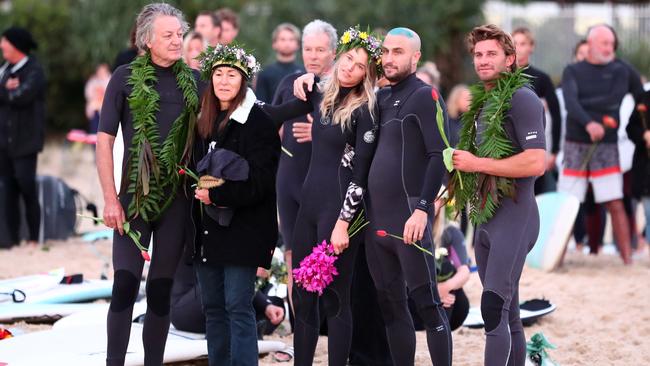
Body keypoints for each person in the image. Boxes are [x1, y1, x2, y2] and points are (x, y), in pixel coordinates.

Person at [263, 25, 382, 366]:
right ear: (339, 57)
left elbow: (360, 176)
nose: (349, 68)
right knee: (303, 297)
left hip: (338, 214)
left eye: (359, 65)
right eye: (348, 59)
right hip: (308, 208)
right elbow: (276, 111)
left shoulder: (366, 111)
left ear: (366, 72)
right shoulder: (322, 93)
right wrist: (301, 80)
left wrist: (344, 223)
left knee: (335, 298)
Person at [96, 4, 202, 365]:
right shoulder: (124, 78)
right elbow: (104, 140)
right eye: (168, 35)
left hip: (177, 202)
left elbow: (242, 113)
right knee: (125, 285)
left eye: (180, 35)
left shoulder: (196, 82)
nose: (177, 41)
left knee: (160, 290)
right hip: (131, 200)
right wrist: (111, 199)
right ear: (147, 40)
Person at [451, 24, 546, 366]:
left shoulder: (522, 98)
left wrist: (479, 163)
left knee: (493, 309)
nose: (483, 60)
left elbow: (537, 161)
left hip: (515, 217)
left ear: (510, 60)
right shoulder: (480, 102)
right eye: (478, 54)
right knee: (508, 312)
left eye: (492, 53)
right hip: (486, 217)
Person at [365, 27, 452, 365]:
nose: (389, 58)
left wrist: (422, 209)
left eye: (398, 52)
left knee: (428, 306)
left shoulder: (424, 95)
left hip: (408, 221)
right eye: (385, 51)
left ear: (415, 56)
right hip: (376, 225)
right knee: (390, 307)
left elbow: (439, 155)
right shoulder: (380, 98)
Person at [192, 43, 280, 366]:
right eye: (218, 74)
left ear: (244, 81)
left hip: (245, 230)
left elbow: (260, 182)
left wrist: (217, 195)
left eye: (232, 74)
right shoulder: (204, 121)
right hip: (209, 230)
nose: (224, 81)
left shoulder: (259, 123)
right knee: (213, 308)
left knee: (237, 306)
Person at [271, 19, 337, 323]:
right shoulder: (289, 83)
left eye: (320, 49)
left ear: (333, 52)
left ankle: (329, 324)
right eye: (308, 49)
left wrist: (321, 132)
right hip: (290, 179)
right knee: (293, 259)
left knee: (327, 257)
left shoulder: (344, 86)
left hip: (325, 185)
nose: (313, 55)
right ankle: (302, 328)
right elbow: (270, 125)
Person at [558, 24, 639, 265]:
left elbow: (640, 95)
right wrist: (589, 124)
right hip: (576, 142)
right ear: (590, 43)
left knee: (614, 201)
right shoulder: (572, 70)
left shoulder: (622, 70)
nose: (609, 48)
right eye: (604, 43)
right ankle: (557, 256)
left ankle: (627, 260)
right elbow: (571, 103)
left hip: (606, 145)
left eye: (612, 44)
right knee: (568, 202)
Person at [0, 26, 45, 248]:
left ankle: (34, 238)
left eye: (5, 42)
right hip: (4, 142)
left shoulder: (34, 70)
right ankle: (11, 238)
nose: (1, 46)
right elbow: (7, 95)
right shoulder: (4, 70)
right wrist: (3, 88)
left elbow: (20, 97)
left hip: (26, 142)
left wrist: (4, 92)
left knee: (27, 188)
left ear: (16, 45)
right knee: (7, 189)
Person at [170, 261, 285, 339]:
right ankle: (247, 328)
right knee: (231, 277)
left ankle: (252, 327)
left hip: (209, 303)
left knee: (277, 305)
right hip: (184, 306)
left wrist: (266, 306)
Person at [512, 27, 561, 194]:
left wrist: (554, 151)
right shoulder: (502, 77)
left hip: (536, 146)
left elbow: (556, 115)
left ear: (531, 47)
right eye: (515, 43)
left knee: (537, 195)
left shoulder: (542, 78)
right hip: (509, 148)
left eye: (522, 43)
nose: (518, 47)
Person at [254, 23, 303, 103]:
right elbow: (260, 105)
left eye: (291, 39)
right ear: (274, 44)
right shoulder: (265, 73)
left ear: (298, 44)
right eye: (283, 39)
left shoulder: (305, 72)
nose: (287, 43)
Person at [84, 63, 111, 134]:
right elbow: (88, 93)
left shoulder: (110, 80)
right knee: (94, 125)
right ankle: (94, 140)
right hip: (95, 106)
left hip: (106, 107)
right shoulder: (93, 80)